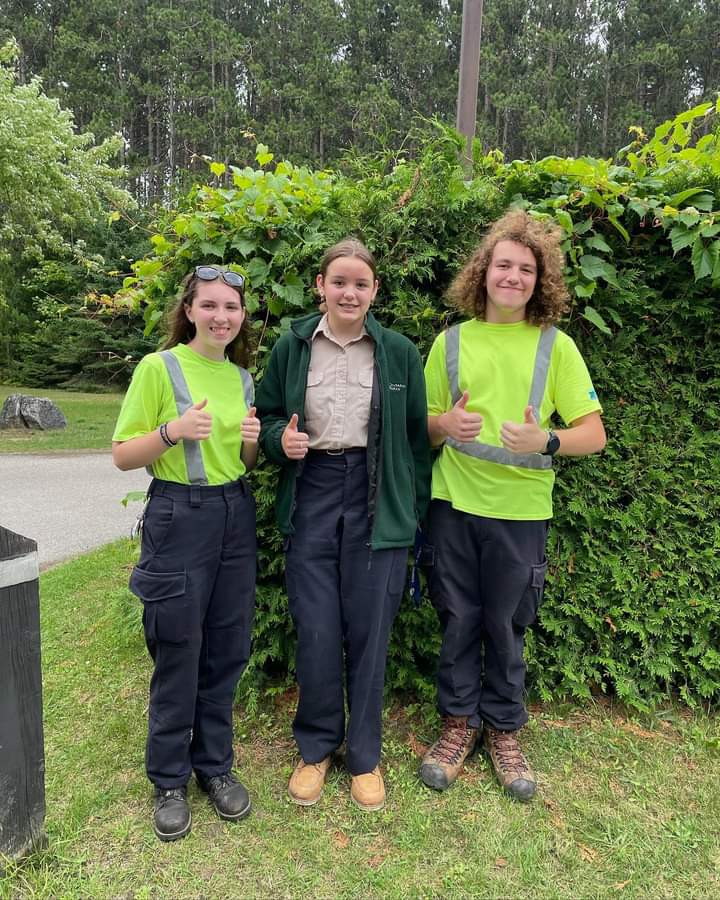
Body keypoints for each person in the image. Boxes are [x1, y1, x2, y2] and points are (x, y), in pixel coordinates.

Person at [419, 210, 606, 801]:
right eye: (504, 265)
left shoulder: (557, 347)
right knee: (457, 618)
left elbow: (593, 434)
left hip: (522, 512)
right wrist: (443, 425)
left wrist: (546, 440)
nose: (513, 277)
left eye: (526, 269)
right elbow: (421, 426)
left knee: (506, 625)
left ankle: (503, 730)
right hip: (453, 505)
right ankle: (458, 725)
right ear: (484, 271)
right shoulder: (450, 343)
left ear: (539, 280)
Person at [255, 238, 431, 811]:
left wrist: (412, 511)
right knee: (316, 627)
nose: (349, 292)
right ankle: (315, 749)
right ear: (320, 287)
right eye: (339, 282)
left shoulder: (399, 352)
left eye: (360, 283)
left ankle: (365, 757)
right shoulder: (292, 345)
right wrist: (280, 442)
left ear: (375, 290)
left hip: (377, 495)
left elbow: (414, 439)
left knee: (371, 631)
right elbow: (269, 414)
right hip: (313, 488)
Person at [112, 265, 259, 841]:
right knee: (178, 648)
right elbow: (123, 455)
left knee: (227, 647)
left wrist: (249, 446)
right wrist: (173, 431)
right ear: (190, 310)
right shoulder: (160, 368)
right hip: (179, 516)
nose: (222, 316)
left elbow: (242, 464)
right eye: (210, 305)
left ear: (241, 316)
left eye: (231, 307)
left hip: (234, 515)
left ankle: (215, 768)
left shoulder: (242, 379)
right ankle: (169, 779)